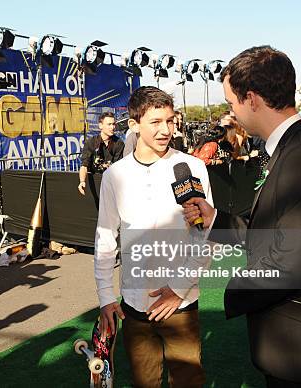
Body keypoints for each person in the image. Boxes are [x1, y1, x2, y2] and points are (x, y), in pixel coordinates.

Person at [183, 46, 301, 387]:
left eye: (231, 103)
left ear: (251, 99)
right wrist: (215, 220)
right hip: (298, 344)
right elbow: (269, 232)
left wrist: (230, 289)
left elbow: (289, 265)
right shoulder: (291, 149)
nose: (231, 112)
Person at [95, 86, 212, 387]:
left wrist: (178, 289)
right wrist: (107, 296)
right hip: (133, 304)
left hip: (181, 303)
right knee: (143, 383)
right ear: (133, 125)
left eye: (170, 121)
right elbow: (106, 236)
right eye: (156, 122)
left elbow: (206, 237)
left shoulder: (192, 167)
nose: (166, 130)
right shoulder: (114, 175)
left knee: (188, 382)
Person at [78, 112, 124, 195]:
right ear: (100, 126)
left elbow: (119, 168)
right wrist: (82, 181)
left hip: (112, 184)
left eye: (113, 124)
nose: (112, 127)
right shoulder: (91, 142)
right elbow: (84, 165)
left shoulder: (119, 143)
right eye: (109, 124)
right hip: (95, 182)